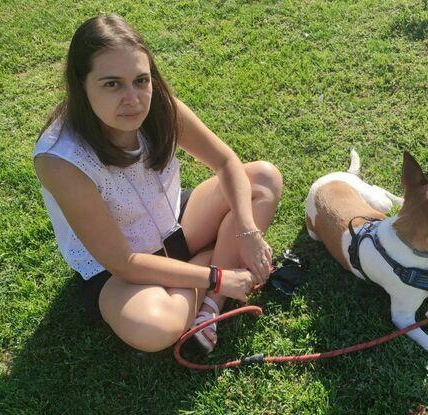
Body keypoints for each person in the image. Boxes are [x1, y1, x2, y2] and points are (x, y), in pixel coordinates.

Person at [32, 14, 282, 353]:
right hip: (121, 271)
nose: (133, 99)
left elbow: (225, 162)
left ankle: (210, 307)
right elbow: (122, 262)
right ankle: (215, 267)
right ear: (81, 84)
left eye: (140, 80)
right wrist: (219, 275)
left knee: (263, 178)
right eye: (112, 84)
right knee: (153, 328)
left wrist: (248, 232)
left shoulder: (159, 107)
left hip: (174, 223)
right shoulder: (60, 159)